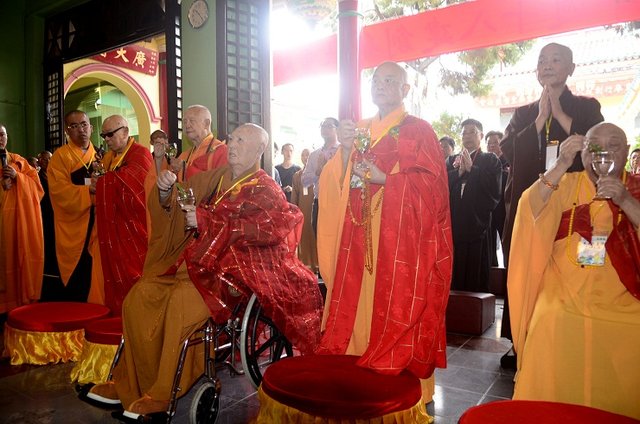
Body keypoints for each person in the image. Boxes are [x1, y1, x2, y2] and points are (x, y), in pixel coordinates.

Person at [85, 123, 323, 418]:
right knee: (139, 297)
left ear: (260, 149)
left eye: (241, 140)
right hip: (193, 264)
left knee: (179, 305)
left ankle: (162, 394)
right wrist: (164, 192)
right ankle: (127, 384)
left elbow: (266, 230)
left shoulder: (266, 189)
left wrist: (207, 223)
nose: (232, 145)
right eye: (232, 138)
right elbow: (181, 199)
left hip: (230, 275)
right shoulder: (218, 178)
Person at [316, 62, 452, 408]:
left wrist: (387, 179)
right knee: (354, 306)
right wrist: (345, 150)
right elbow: (334, 184)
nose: (380, 86)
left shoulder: (419, 130)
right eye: (376, 80)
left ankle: (400, 393)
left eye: (390, 80)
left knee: (390, 303)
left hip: (399, 242)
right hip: (356, 234)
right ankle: (353, 372)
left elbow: (432, 192)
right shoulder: (361, 129)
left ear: (406, 90)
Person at [508, 122, 640, 419]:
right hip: (563, 290)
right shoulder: (566, 183)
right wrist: (560, 164)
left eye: (613, 146)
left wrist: (625, 201)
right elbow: (529, 210)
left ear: (628, 150)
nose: (602, 154)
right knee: (549, 318)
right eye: (593, 147)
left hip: (623, 295)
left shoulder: (634, 188)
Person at [499, 43, 604, 368]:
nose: (547, 65)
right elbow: (507, 150)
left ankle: (575, 329)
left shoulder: (588, 106)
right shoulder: (524, 112)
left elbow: (599, 146)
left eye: (556, 60)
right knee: (525, 265)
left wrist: (559, 114)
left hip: (576, 201)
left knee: (580, 264)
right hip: (531, 204)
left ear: (571, 68)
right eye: (542, 61)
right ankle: (520, 338)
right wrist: (540, 118)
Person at [91, 115, 152, 315]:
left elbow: (136, 186)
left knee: (134, 273)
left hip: (133, 227)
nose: (106, 139)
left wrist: (102, 182)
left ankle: (137, 316)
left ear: (125, 132)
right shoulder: (109, 158)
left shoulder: (140, 153)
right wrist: (101, 181)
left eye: (110, 134)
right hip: (114, 228)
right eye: (103, 135)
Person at [46, 110, 104, 303]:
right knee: (77, 275)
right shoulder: (60, 157)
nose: (81, 130)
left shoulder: (100, 156)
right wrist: (89, 192)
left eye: (84, 124)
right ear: (66, 131)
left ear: (91, 127)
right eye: (74, 126)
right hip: (74, 224)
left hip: (97, 221)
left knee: (95, 269)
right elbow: (59, 192)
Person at [448, 119, 502, 292]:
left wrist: (473, 170)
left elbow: (494, 189)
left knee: (475, 274)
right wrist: (458, 173)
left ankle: (476, 313)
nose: (467, 136)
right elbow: (441, 185)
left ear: (480, 135)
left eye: (472, 132)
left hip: (478, 225)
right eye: (464, 132)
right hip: (454, 224)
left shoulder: (490, 159)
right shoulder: (451, 160)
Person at [0, 123, 44, 312]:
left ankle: (20, 306)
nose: (0, 138)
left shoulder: (19, 162)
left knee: (19, 263)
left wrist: (18, 178)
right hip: (2, 226)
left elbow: (38, 190)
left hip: (20, 225)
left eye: (2, 134)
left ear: (7, 137)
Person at [301, 117, 340, 234]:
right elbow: (304, 181)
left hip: (338, 202)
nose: (324, 128)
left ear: (337, 130)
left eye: (329, 126)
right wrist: (317, 172)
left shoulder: (342, 151)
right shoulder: (314, 155)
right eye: (322, 125)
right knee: (320, 238)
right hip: (319, 202)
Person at [172, 105, 227, 182]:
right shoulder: (184, 156)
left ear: (206, 124)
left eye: (192, 121)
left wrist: (186, 168)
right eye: (185, 122)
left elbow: (218, 184)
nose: (187, 125)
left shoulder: (221, 151)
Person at [291, 148, 318, 273]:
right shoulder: (297, 176)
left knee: (317, 237)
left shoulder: (319, 174)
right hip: (303, 214)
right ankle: (305, 267)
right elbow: (294, 198)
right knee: (304, 239)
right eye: (303, 154)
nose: (306, 157)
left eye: (308, 154)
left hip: (317, 212)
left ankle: (319, 265)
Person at [485, 130, 509, 266]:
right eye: (489, 143)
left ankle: (507, 271)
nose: (491, 146)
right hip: (489, 210)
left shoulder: (509, 161)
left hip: (504, 209)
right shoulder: (485, 163)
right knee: (489, 244)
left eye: (495, 142)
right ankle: (492, 270)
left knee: (506, 242)